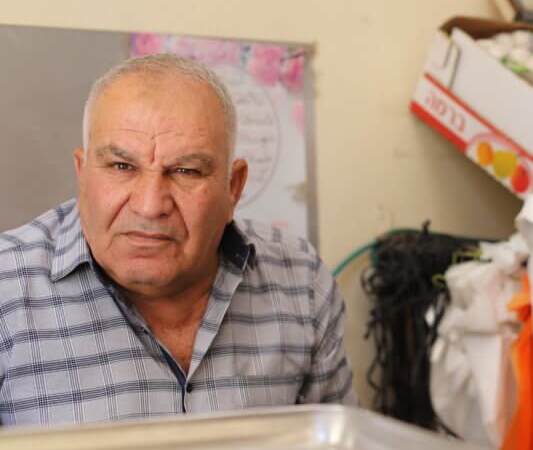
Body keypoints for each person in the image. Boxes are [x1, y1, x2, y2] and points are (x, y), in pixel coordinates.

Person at [0, 54, 356, 425]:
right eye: (122, 167)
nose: (151, 206)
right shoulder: (7, 290)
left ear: (233, 188)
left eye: (186, 171)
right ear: (82, 173)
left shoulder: (300, 282)